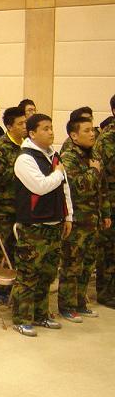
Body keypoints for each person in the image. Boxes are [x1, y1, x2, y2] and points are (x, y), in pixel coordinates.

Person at [12, 113, 73, 336]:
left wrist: (68, 217)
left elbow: (64, 188)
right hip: (34, 226)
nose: (50, 132)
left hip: (54, 222)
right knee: (29, 275)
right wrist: (58, 173)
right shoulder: (25, 159)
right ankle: (22, 318)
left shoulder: (52, 155)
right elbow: (40, 186)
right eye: (45, 128)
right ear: (32, 133)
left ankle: (41, 314)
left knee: (47, 274)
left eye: (51, 127)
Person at [58, 116, 107, 323]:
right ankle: (66, 306)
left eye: (92, 130)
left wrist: (105, 214)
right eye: (86, 131)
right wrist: (94, 170)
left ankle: (80, 302)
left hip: (92, 219)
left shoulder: (94, 154)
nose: (92, 133)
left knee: (88, 263)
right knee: (72, 264)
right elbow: (77, 187)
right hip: (76, 220)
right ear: (74, 135)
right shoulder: (69, 157)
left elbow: (101, 189)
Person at [0, 107, 27, 271]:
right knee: (1, 250)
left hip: (21, 206)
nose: (25, 126)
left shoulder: (26, 146)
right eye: (20, 123)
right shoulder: (0, 149)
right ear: (10, 126)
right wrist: (23, 173)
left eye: (25, 122)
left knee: (18, 250)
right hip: (3, 208)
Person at [93, 111, 115, 308]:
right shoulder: (106, 140)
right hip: (109, 201)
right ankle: (105, 292)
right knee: (108, 250)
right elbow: (102, 177)